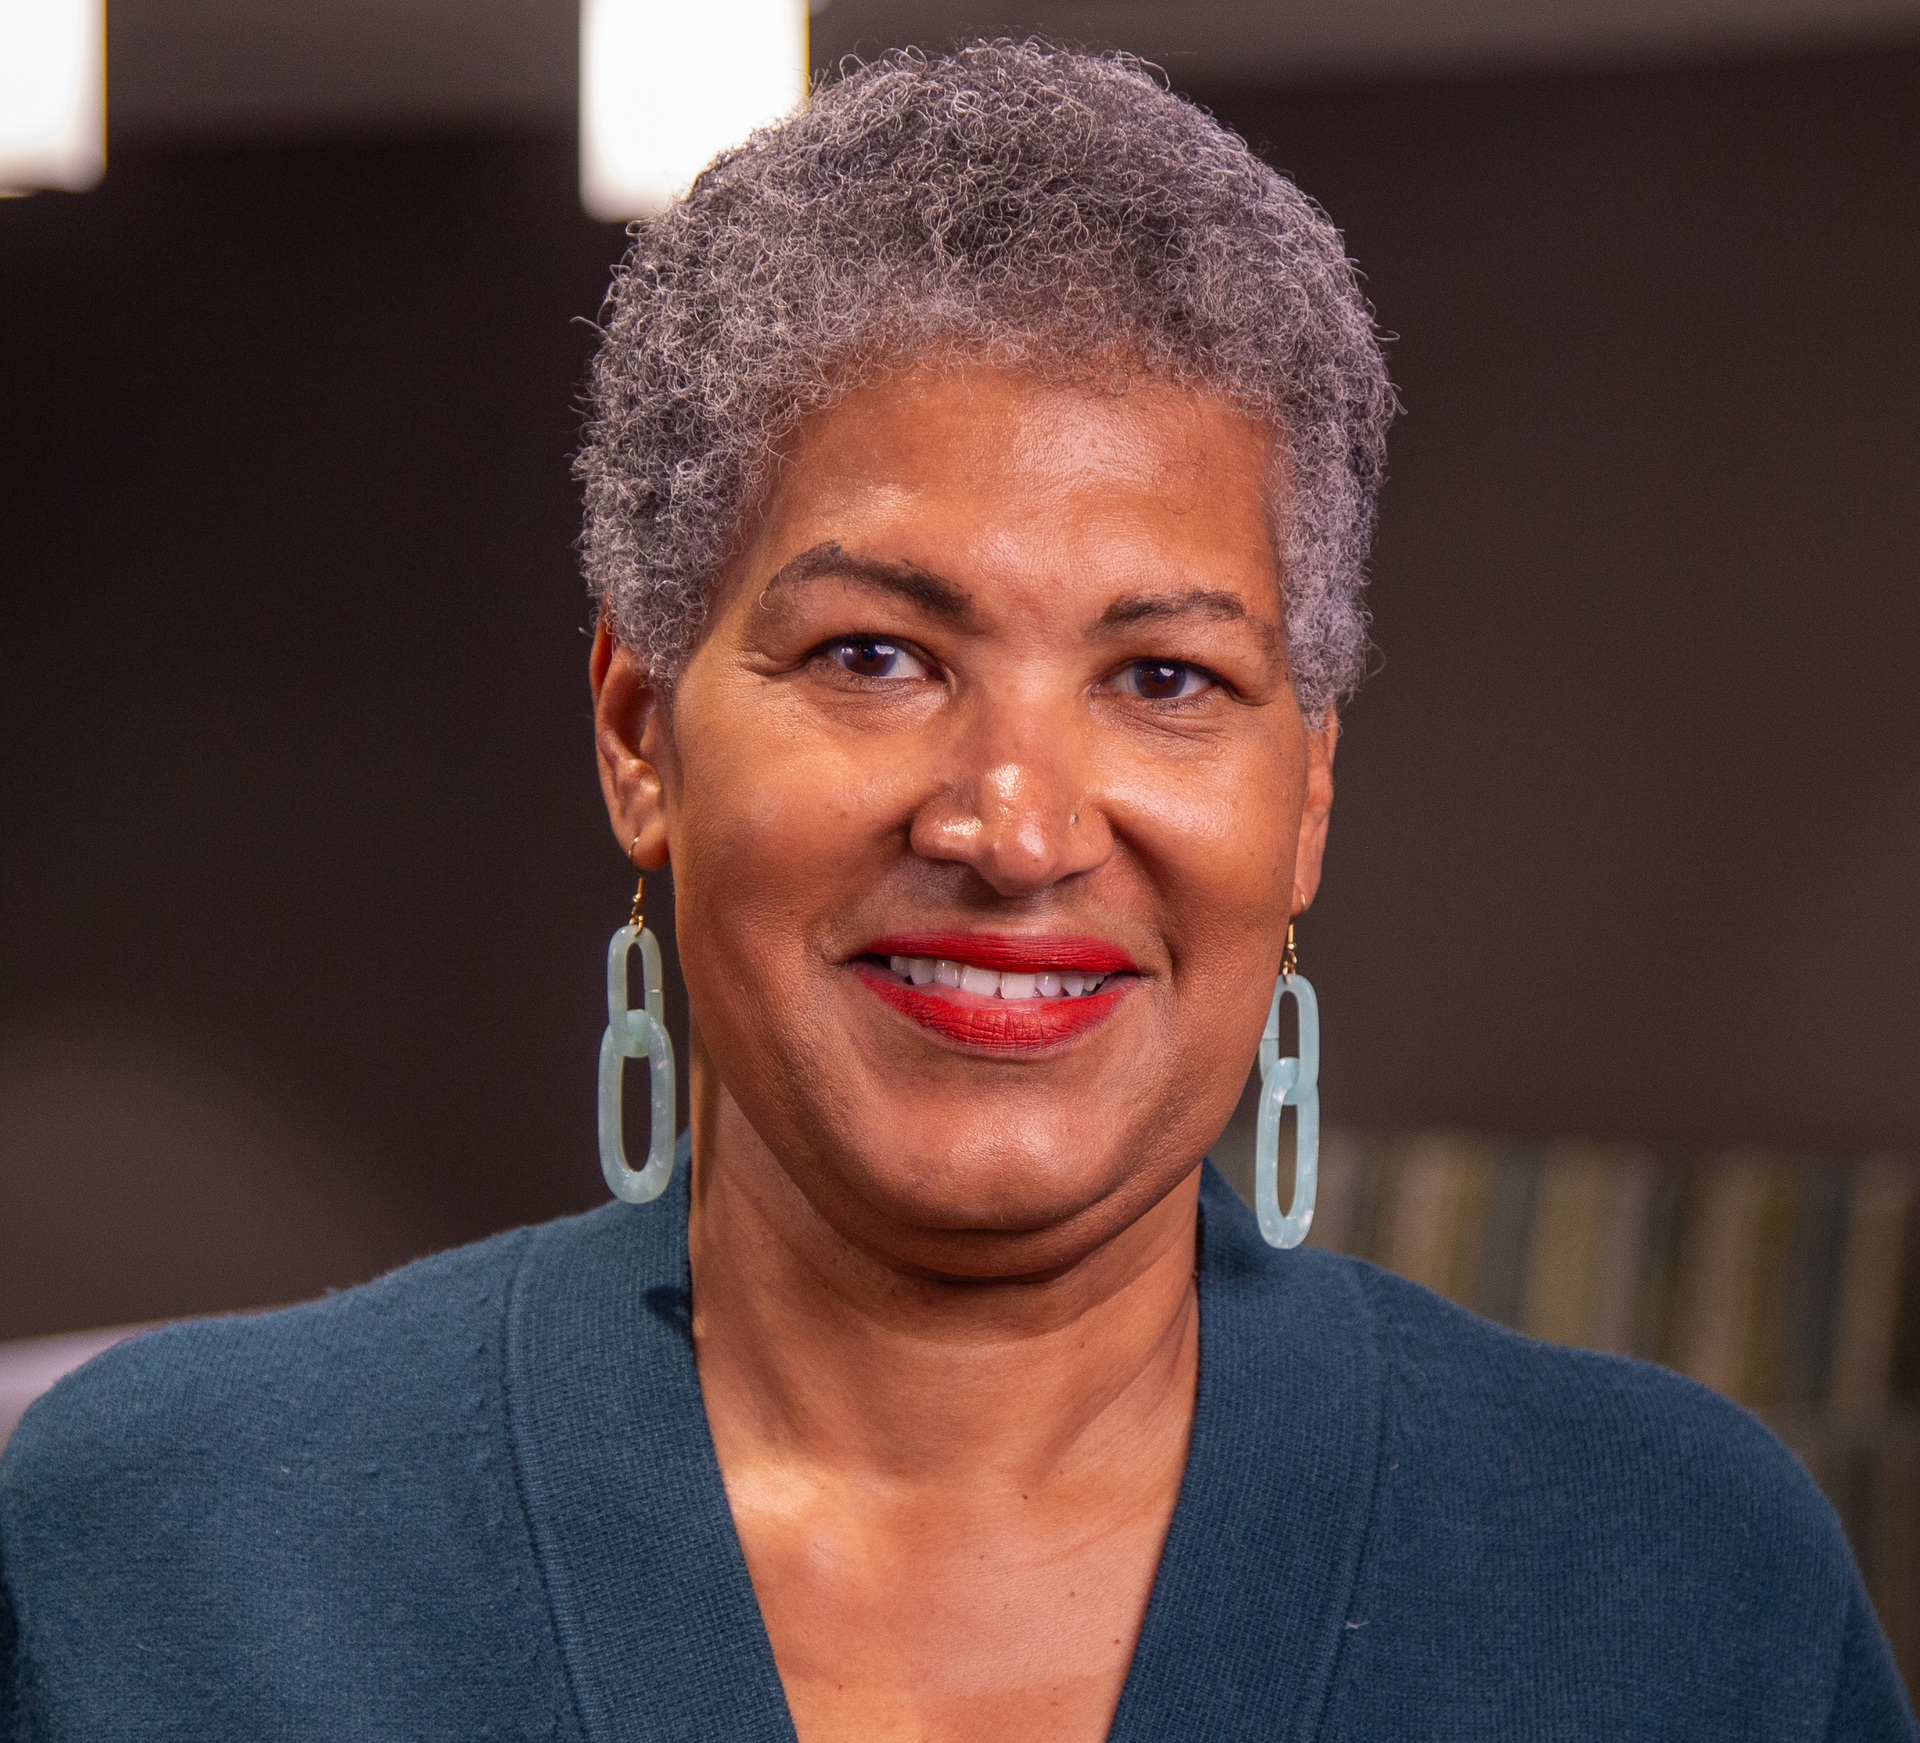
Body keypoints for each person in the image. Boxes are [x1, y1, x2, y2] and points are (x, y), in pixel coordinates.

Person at [1, 40, 1912, 1743]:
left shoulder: (1680, 1583)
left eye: (1166, 677)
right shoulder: (156, 1545)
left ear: (1306, 793)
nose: (1014, 824)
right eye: (875, 657)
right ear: (640, 733)